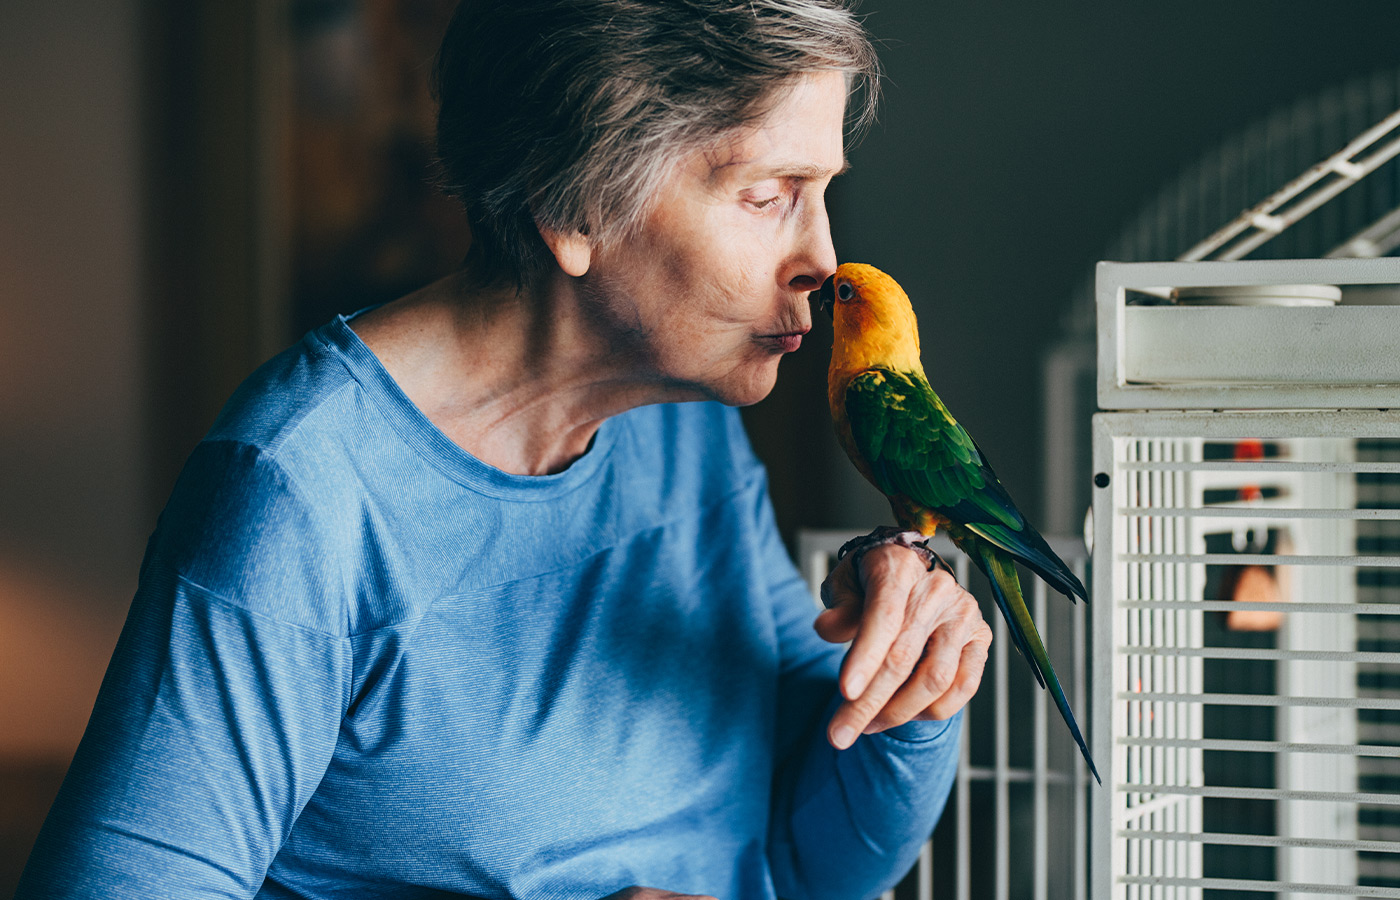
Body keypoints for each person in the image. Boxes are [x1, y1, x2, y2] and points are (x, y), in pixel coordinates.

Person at [18, 1, 992, 898]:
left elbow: (797, 859)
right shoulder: (298, 494)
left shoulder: (684, 422)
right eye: (768, 194)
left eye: (820, 191)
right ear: (570, 204)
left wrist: (909, 687)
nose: (822, 261)